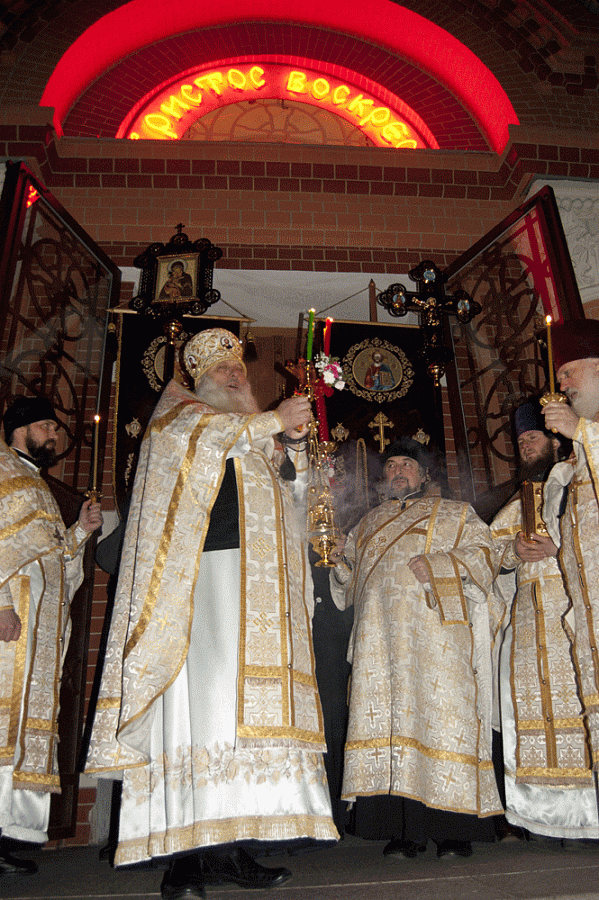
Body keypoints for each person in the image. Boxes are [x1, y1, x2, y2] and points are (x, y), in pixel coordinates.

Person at [85, 328, 338, 900]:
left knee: (244, 720)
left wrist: (293, 445)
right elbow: (204, 442)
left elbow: (294, 499)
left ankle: (233, 847)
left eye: (240, 370)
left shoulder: (254, 433)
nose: (235, 376)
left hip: (260, 591)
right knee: (200, 713)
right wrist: (272, 421)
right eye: (223, 370)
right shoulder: (179, 419)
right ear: (197, 378)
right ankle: (186, 861)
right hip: (200, 588)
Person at [329, 437, 502, 860]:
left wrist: (441, 565)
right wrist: (339, 563)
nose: (398, 471)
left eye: (407, 464)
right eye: (391, 466)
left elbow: (487, 555)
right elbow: (349, 588)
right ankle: (403, 830)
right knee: (390, 725)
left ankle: (453, 830)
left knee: (442, 722)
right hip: (380, 645)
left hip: (438, 640)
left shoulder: (457, 514)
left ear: (424, 475)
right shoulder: (366, 525)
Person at [0, 396, 103, 875]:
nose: (55, 435)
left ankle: (8, 829)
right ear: (19, 429)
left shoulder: (36, 483)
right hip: (13, 622)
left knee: (25, 727)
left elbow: (54, 562)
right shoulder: (2, 471)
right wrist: (1, 604)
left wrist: (79, 532)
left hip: (39, 630)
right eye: (47, 426)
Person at [490, 399, 598, 841]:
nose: (526, 447)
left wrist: (560, 549)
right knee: (530, 717)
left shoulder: (577, 479)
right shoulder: (518, 500)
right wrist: (511, 553)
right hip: (528, 622)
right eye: (521, 442)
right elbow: (489, 550)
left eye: (533, 438)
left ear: (556, 440)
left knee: (579, 713)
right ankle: (545, 819)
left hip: (573, 612)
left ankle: (590, 816)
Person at [542, 319, 599, 787]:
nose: (561, 384)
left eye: (568, 372)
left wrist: (582, 431)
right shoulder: (576, 457)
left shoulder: (586, 438)